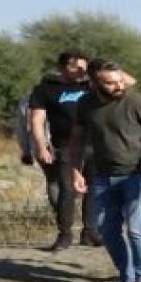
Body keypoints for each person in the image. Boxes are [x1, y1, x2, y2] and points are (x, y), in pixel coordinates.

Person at [69, 60, 141, 282]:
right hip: (103, 176)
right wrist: (76, 171)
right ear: (95, 83)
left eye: (120, 80)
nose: (119, 86)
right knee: (107, 230)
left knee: (137, 228)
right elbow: (77, 140)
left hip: (138, 174)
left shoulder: (137, 102)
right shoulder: (85, 104)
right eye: (111, 82)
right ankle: (126, 281)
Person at [28, 51, 103, 250]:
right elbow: (37, 120)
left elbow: (129, 82)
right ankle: (64, 235)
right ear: (62, 67)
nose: (79, 71)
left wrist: (95, 66)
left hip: (95, 145)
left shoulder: (91, 85)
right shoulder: (45, 89)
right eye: (74, 66)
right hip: (65, 147)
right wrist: (41, 146)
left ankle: (90, 232)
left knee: (94, 189)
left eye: (82, 67)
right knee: (67, 190)